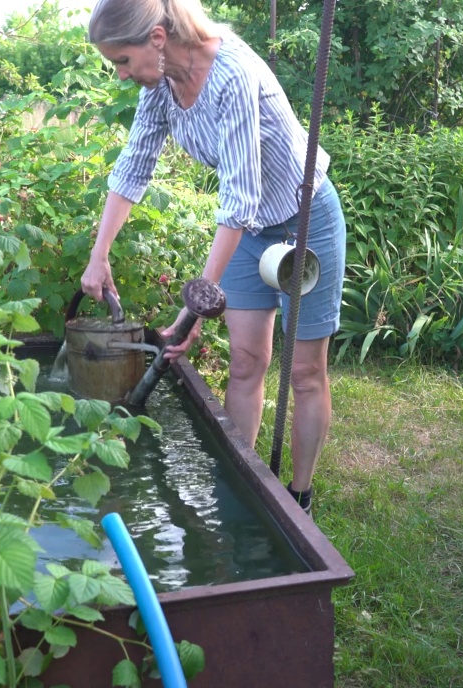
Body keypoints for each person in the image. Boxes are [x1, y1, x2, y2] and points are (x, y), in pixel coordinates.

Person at [82, 0, 346, 513]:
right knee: (246, 363)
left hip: (304, 220)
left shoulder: (233, 75)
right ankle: (242, 497)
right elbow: (134, 167)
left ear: (157, 40)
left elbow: (241, 197)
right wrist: (100, 255)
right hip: (248, 233)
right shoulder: (161, 85)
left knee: (304, 373)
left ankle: (300, 496)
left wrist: (195, 308)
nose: (121, 74)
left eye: (122, 60)